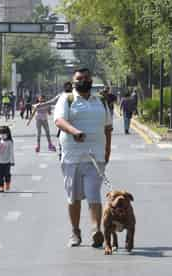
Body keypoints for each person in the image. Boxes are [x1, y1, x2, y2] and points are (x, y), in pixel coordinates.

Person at [54, 68, 113, 248]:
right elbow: (59, 121)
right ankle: (75, 231)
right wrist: (74, 132)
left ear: (91, 81)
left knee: (93, 193)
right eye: (79, 78)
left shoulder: (100, 101)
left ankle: (96, 230)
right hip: (72, 156)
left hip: (95, 157)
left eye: (87, 78)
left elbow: (108, 128)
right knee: (74, 197)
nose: (83, 81)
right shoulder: (66, 99)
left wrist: (107, 149)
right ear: (73, 81)